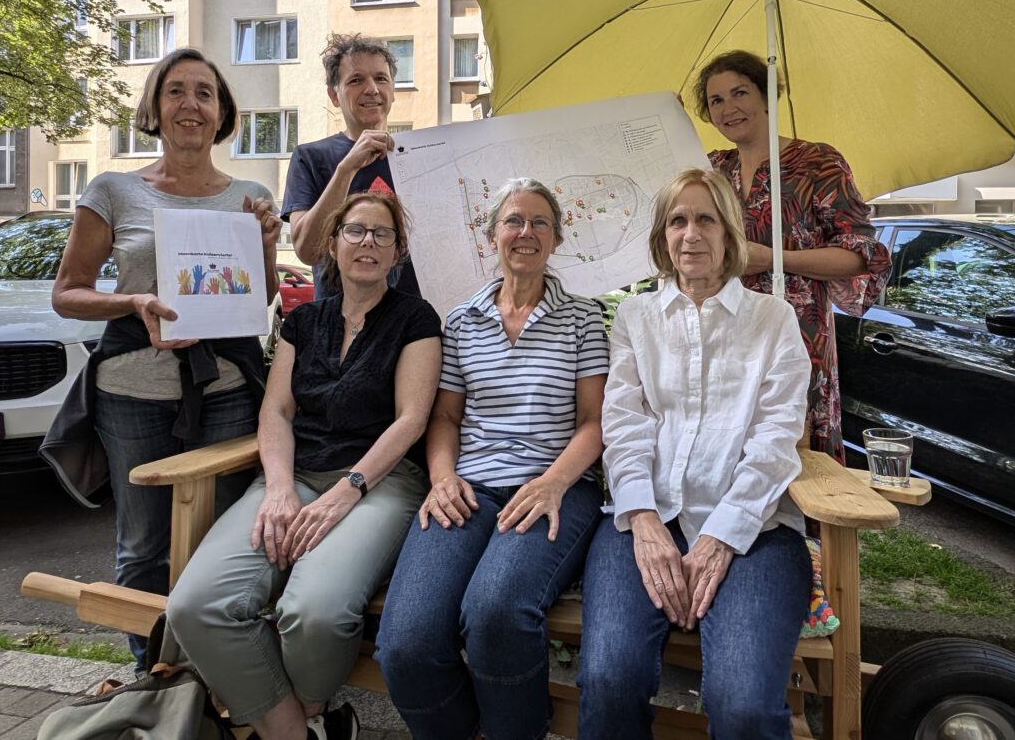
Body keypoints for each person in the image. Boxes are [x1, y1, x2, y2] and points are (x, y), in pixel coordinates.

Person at [167, 192, 441, 740]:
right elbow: (277, 409)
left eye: (381, 234)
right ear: (332, 244)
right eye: (355, 231)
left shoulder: (415, 318)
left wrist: (350, 488)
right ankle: (303, 730)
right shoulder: (304, 320)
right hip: (292, 475)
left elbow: (411, 420)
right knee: (196, 605)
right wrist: (277, 489)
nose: (367, 243)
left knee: (314, 612)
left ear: (398, 252)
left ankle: (308, 711)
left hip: (380, 482)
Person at [49, 47, 281, 669]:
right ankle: (150, 675)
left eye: (205, 93)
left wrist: (264, 242)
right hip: (133, 394)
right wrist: (135, 302)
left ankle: (217, 677)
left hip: (229, 390)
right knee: (145, 547)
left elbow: (259, 299)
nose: (190, 105)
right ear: (154, 107)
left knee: (226, 544)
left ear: (221, 112)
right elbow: (67, 293)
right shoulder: (113, 190)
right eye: (176, 91)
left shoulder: (250, 195)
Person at [577, 168, 813, 740]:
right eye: (677, 221)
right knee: (608, 679)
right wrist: (645, 522)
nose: (691, 234)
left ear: (729, 233)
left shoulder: (773, 319)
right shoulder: (635, 318)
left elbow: (777, 438)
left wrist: (720, 537)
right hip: (642, 519)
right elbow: (624, 426)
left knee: (744, 706)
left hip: (754, 530)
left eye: (705, 218)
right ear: (662, 238)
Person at [374, 178, 609, 740]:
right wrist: (442, 478)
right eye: (513, 221)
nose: (525, 232)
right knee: (405, 642)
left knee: (496, 612)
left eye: (539, 223)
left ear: (556, 238)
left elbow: (594, 423)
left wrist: (553, 483)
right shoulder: (460, 320)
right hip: (469, 487)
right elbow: (445, 418)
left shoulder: (583, 318)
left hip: (555, 487)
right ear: (492, 236)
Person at [694, 49, 890, 462]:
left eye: (739, 93)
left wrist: (772, 259)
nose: (729, 108)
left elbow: (859, 254)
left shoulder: (817, 162)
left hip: (798, 333)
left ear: (767, 96)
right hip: (723, 332)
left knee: (791, 452)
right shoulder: (712, 169)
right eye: (716, 101)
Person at [281, 32, 419, 298]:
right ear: (334, 96)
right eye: (356, 80)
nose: (372, 89)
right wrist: (346, 169)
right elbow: (307, 250)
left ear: (393, 91)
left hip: (411, 327)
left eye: (381, 78)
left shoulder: (418, 157)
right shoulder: (310, 158)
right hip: (340, 329)